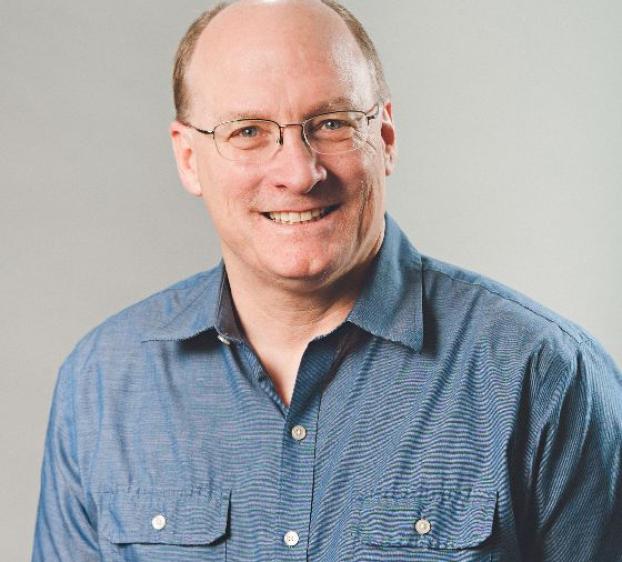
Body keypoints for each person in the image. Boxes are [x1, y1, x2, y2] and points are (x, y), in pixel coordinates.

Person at [32, 0, 622, 560]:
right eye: (248, 131)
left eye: (332, 123)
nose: (298, 172)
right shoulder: (103, 383)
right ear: (189, 158)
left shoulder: (542, 377)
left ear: (385, 137)